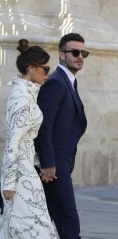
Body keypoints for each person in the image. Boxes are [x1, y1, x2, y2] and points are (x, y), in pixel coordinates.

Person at [0, 39, 57, 239]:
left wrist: (38, 165)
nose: (48, 73)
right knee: (29, 228)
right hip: (19, 178)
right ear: (32, 68)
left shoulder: (28, 94)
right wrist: (8, 182)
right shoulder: (21, 97)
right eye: (45, 68)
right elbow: (13, 142)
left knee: (28, 227)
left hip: (27, 172)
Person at [35, 33, 88, 239]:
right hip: (55, 168)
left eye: (83, 53)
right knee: (69, 224)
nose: (80, 56)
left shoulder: (69, 82)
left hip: (60, 164)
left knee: (44, 223)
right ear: (61, 56)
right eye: (74, 52)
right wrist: (48, 164)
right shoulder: (57, 82)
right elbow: (43, 125)